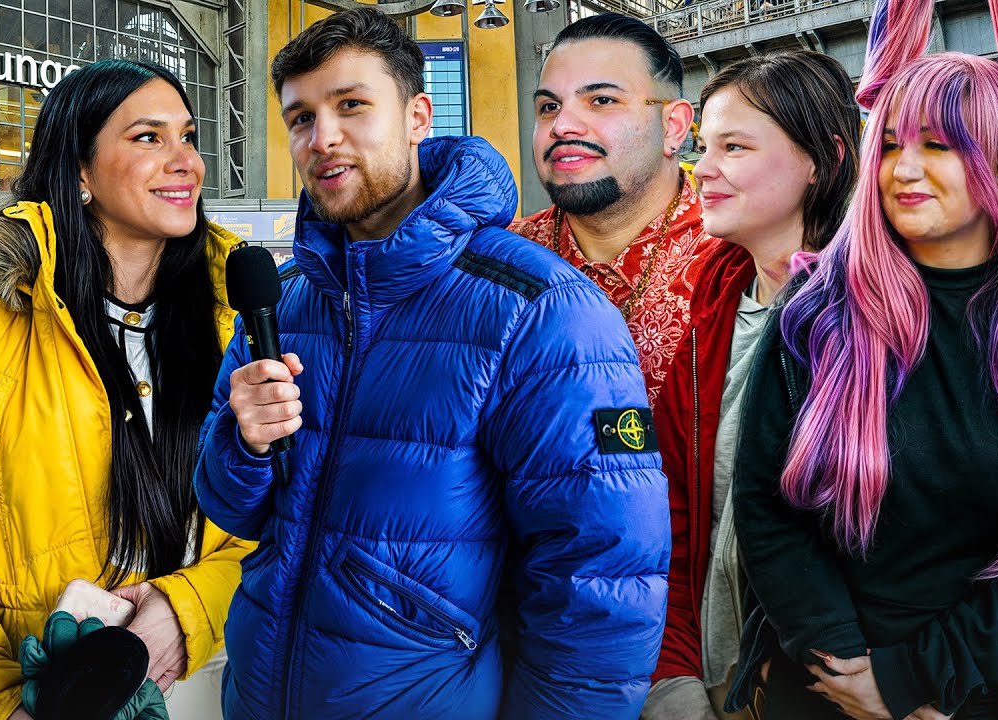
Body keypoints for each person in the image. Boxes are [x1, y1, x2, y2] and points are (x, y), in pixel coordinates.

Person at [194, 7, 669, 720]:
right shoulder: (284, 302)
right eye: (301, 118)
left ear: (418, 116)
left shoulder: (538, 309)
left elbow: (600, 579)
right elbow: (231, 507)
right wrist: (244, 444)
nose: (323, 138)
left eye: (352, 106)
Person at [0, 59, 251, 720]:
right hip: (42, 692)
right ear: (79, 173)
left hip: (220, 676)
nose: (185, 160)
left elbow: (288, 514)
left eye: (188, 136)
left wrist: (186, 610)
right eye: (148, 137)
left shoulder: (239, 314)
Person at [728, 0, 998, 718]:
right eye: (889, 145)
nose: (904, 169)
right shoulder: (817, 309)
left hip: (977, 685)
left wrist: (916, 678)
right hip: (823, 681)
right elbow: (764, 504)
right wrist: (848, 667)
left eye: (939, 145)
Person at [641, 50, 860, 720]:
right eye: (704, 146)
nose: (702, 168)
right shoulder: (708, 308)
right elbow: (670, 512)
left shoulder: (874, 322)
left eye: (733, 147)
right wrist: (672, 678)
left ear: (824, 160)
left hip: (834, 688)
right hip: (715, 680)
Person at [509, 12, 711, 405]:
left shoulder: (740, 264)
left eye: (602, 100)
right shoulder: (501, 263)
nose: (562, 125)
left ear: (673, 126)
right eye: (549, 106)